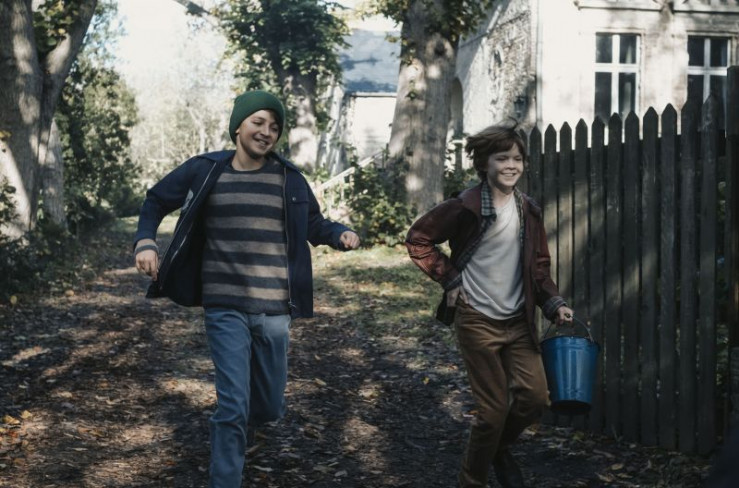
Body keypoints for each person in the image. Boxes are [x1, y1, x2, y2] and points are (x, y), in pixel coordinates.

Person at [133, 90, 360, 488]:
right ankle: (226, 478)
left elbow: (313, 224)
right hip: (224, 305)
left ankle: (248, 426)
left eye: (274, 127)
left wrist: (339, 233)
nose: (266, 132)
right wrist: (146, 241)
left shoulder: (289, 178)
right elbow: (155, 200)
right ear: (238, 126)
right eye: (258, 122)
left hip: (275, 308)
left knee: (269, 406)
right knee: (233, 404)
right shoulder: (206, 170)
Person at [405, 124, 573, 488]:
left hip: (519, 320)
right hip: (477, 319)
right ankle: (472, 480)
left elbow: (539, 266)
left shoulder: (528, 210)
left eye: (518, 158)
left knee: (535, 399)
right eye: (502, 158)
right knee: (492, 413)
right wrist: (450, 280)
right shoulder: (464, 206)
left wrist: (553, 303)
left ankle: (497, 448)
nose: (511, 165)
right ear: (484, 163)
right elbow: (419, 239)